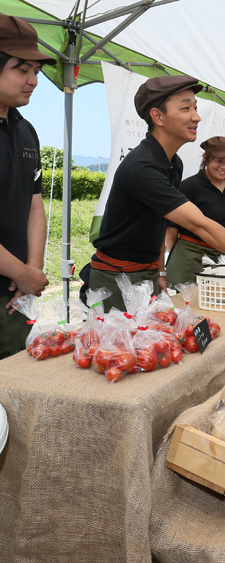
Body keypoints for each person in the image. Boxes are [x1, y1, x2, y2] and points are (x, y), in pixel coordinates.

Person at [90, 75, 225, 312]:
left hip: (146, 273)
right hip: (116, 278)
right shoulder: (142, 168)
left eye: (195, 108)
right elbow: (201, 225)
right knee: (117, 348)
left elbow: (157, 222)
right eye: (186, 108)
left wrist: (159, 271)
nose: (196, 116)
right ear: (158, 116)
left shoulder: (172, 162)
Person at [0, 15, 55, 359]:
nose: (34, 81)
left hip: (15, 294)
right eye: (23, 70)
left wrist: (31, 272)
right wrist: (22, 273)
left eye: (36, 71)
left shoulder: (25, 129)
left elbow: (35, 202)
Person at [164, 136, 225, 287]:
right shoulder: (189, 186)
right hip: (189, 259)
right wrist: (178, 256)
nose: (224, 167)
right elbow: (171, 227)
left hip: (220, 261)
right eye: (218, 161)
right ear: (205, 158)